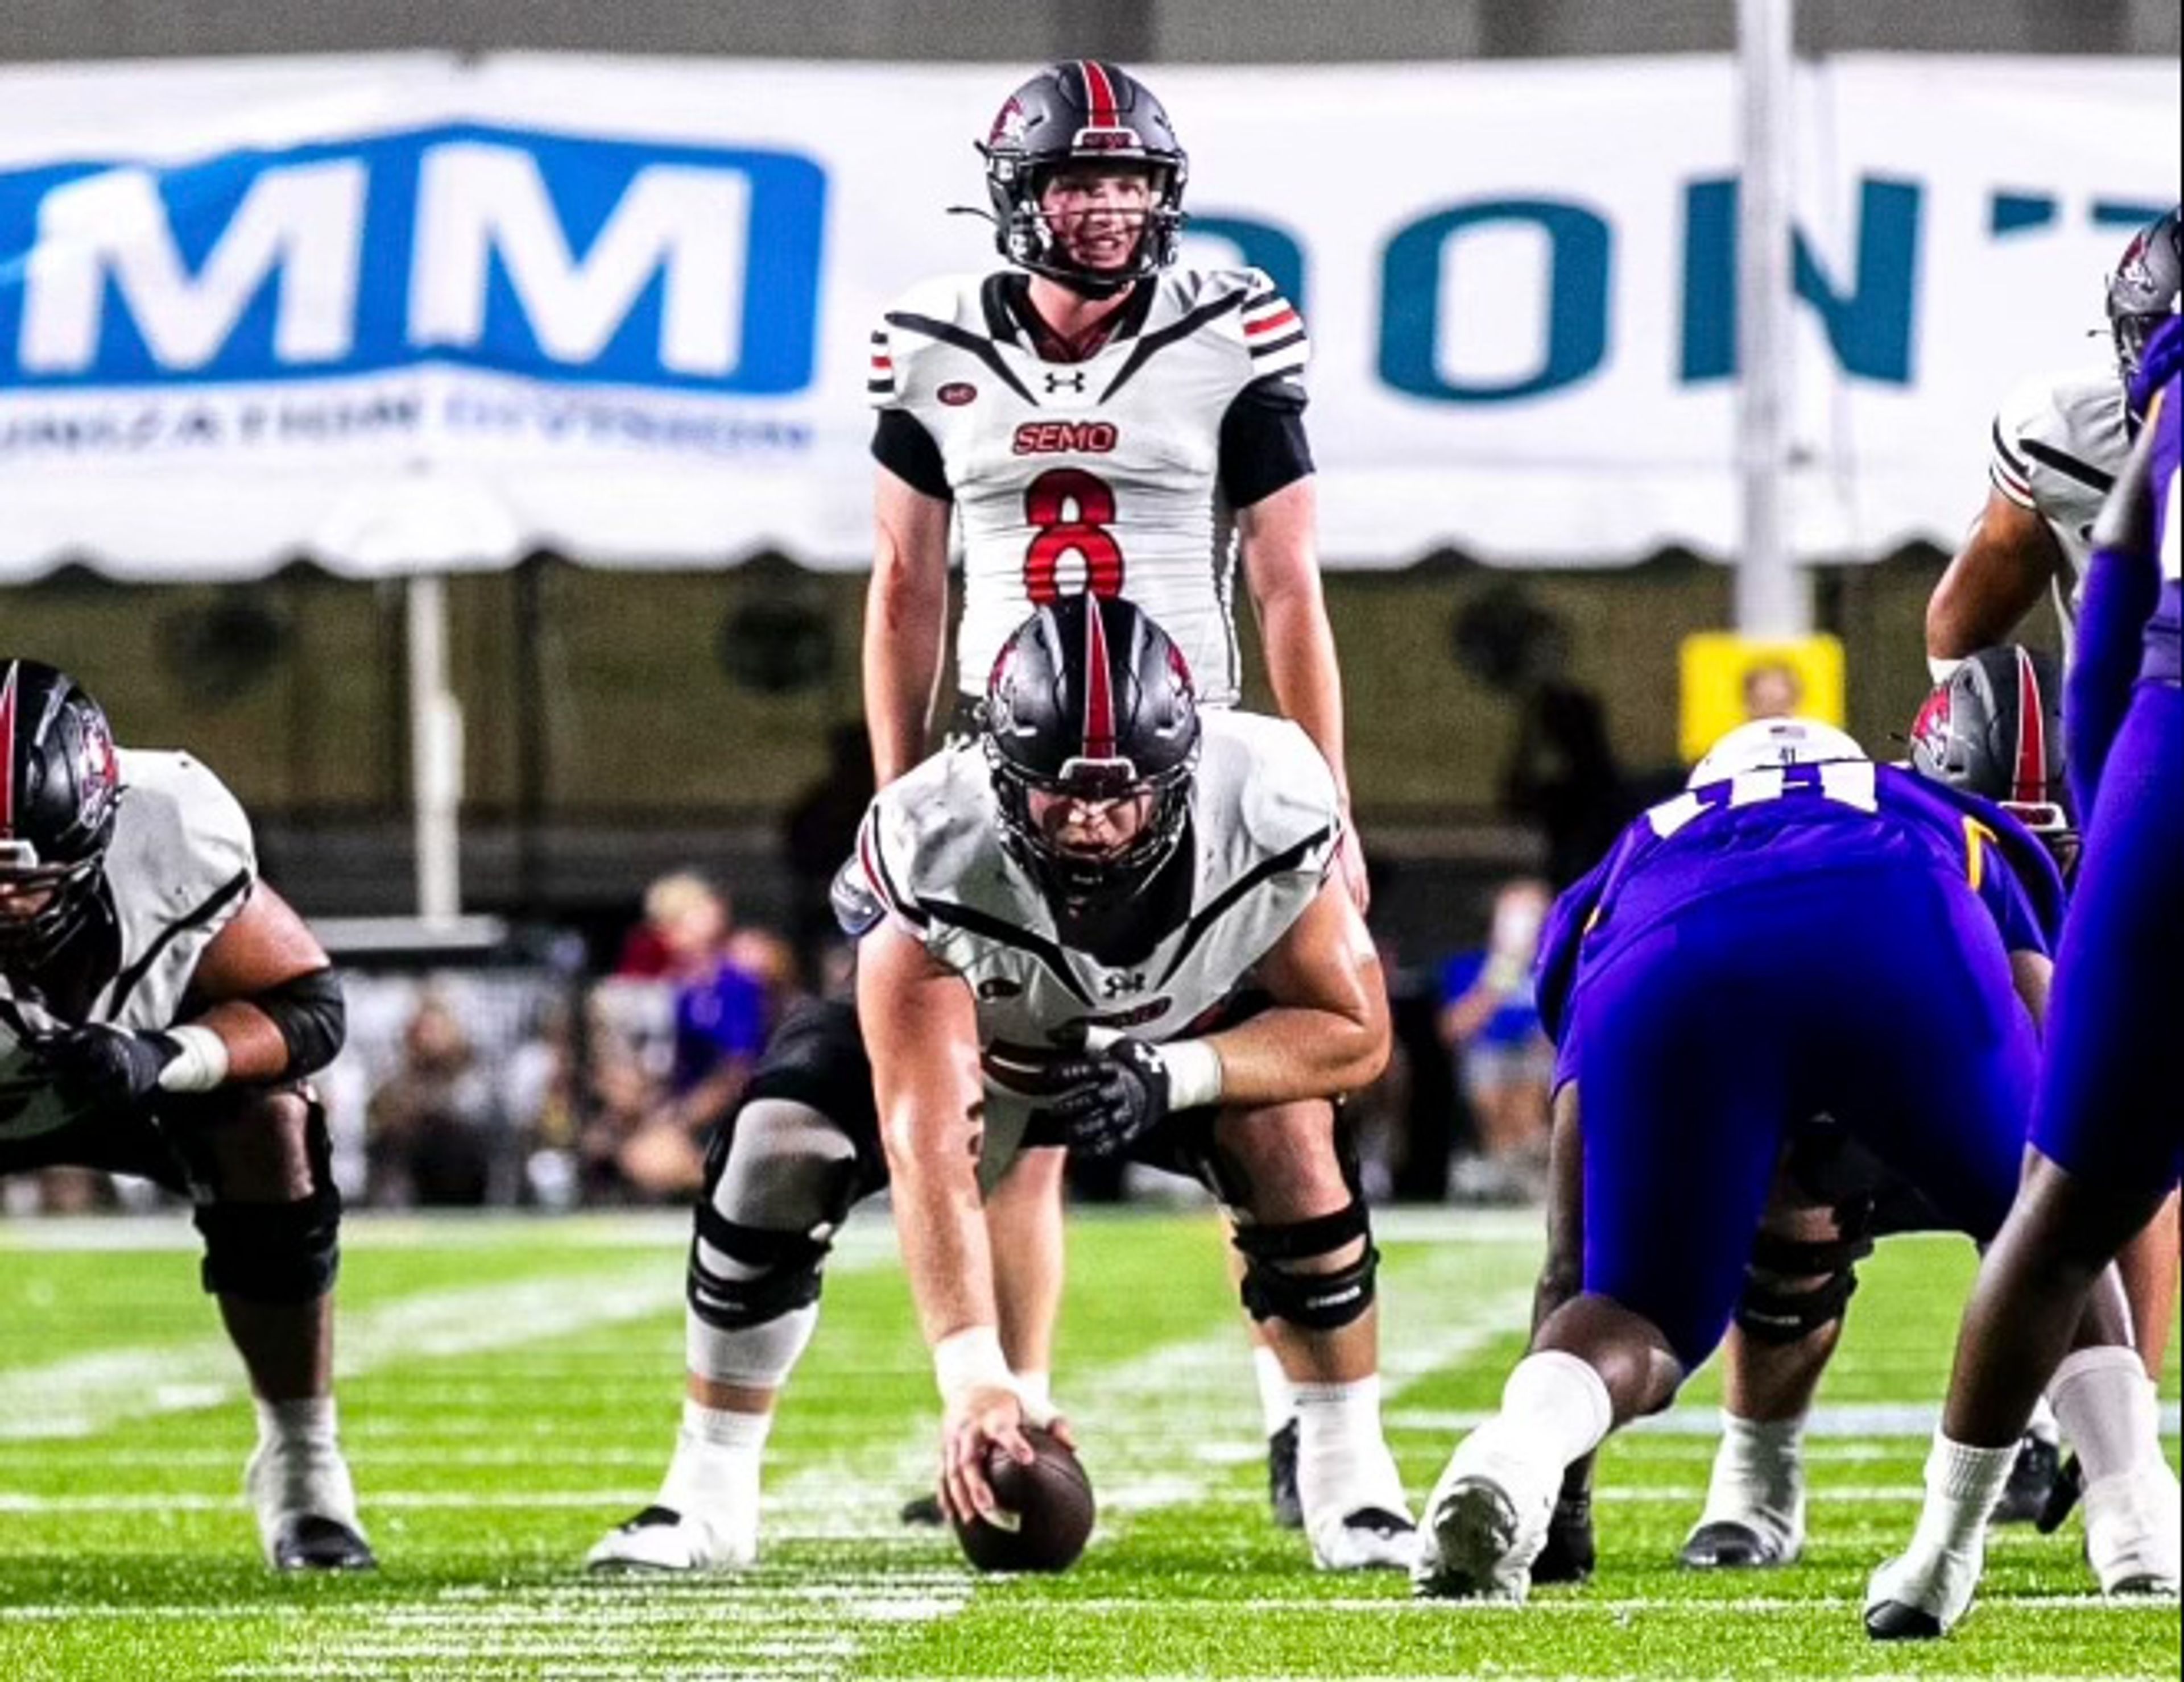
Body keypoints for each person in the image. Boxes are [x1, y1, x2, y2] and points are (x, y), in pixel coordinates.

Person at [588, 596, 1414, 1575]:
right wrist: (976, 1376)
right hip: (982, 1041)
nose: (1091, 821)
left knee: (1295, 1143)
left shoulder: (1266, 798)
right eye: (1057, 793)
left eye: (1120, 794)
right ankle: (708, 1492)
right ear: (998, 768)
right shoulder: (935, 836)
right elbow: (926, 1136)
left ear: (1185, 768)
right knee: (776, 1150)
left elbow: (1354, 1030)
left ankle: (1352, 1484)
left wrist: (1180, 1073)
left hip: (1173, 1038)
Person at [862, 59, 1364, 1524]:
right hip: (1002, 762)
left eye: (1130, 182)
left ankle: (1303, 1412)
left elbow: (1285, 578)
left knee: (1265, 1096)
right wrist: (899, 798)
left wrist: (1327, 805)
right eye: (1079, 182)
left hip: (1188, 758)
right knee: (1003, 1110)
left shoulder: (1231, 323)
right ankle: (1011, 1404)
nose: (1105, 209)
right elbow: (904, 584)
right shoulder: (925, 339)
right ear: (1019, 193)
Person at [1410, 716, 2161, 1605]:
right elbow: (2053, 1075)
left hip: (1671, 956)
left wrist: (1568, 1498)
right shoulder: (1929, 807)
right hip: (1896, 922)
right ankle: (2135, 1518)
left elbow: (1571, 1245)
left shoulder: (1636, 850)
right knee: (2045, 1223)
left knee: (1635, 1310)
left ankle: (1513, 1455)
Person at [1866, 318, 2184, 1640]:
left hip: (2154, 755)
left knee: (2072, 1191)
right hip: (2166, 748)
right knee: (2078, 1177)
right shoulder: (2128, 410)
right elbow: (2103, 593)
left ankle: (2002, 1527)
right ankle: (1948, 1537)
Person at [0, 660, 370, 1570]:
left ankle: (303, 1467)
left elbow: (309, 1004)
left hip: (123, 1079)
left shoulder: (171, 826)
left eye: (27, 878)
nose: (5, 902)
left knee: (276, 1125)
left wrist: (163, 1056)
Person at [1925, 205, 2181, 1379]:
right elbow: (1964, 622)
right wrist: (1998, 749)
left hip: (2136, 771)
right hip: (2142, 772)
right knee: (2111, 1128)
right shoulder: (2069, 436)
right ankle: (2109, 1425)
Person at [1437, 879, 1554, 1204]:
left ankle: (1527, 1173)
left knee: (1530, 1084)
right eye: (1513, 915)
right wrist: (1500, 977)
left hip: (1541, 1062)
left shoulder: (1561, 967)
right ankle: (1511, 1174)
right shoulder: (1469, 966)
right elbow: (1452, 1030)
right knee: (1490, 1076)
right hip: (1486, 1062)